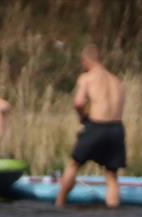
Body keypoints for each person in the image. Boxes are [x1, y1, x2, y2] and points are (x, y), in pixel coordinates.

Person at [56, 44, 126, 208]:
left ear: (85, 60)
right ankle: (113, 208)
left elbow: (79, 102)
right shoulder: (117, 81)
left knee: (74, 164)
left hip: (96, 126)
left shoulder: (87, 78)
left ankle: (59, 203)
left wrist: (83, 118)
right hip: (116, 128)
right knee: (111, 175)